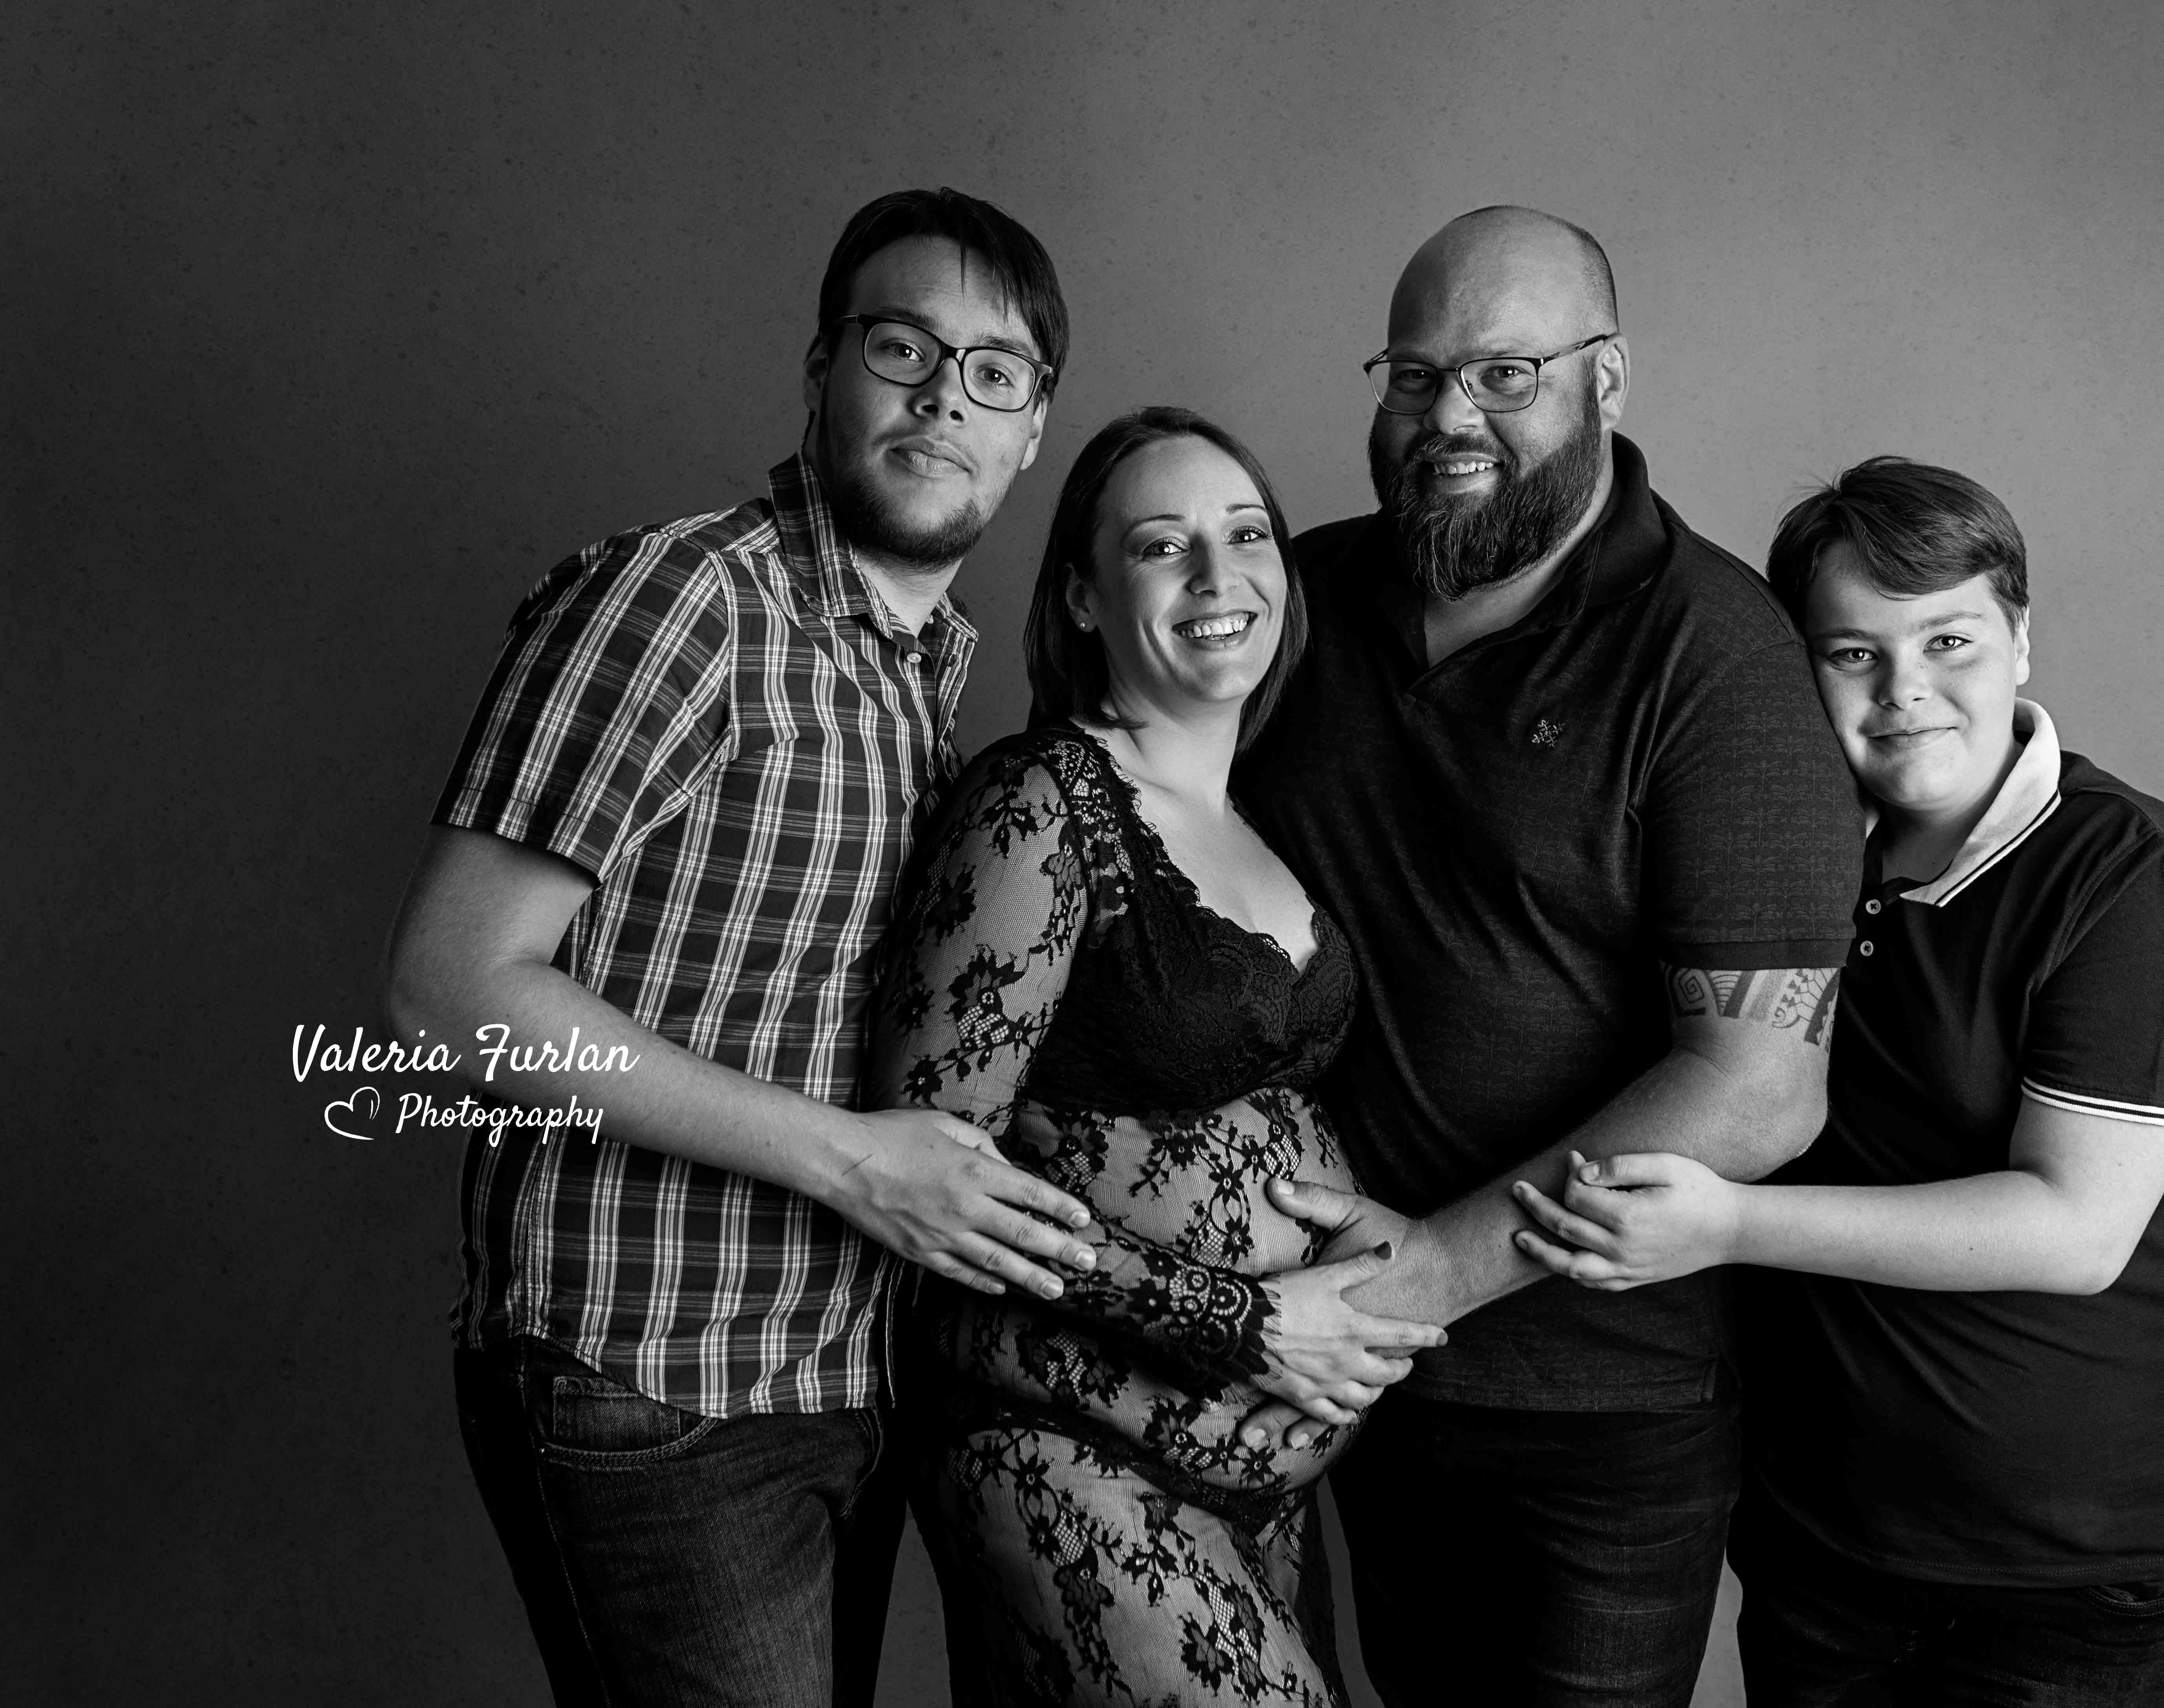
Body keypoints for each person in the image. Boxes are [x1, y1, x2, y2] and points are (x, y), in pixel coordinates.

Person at [381, 188, 1099, 1708]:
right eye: (901, 345)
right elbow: (449, 990)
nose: (939, 397)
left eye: (992, 371)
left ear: (1033, 426)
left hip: (841, 1372)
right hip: (650, 1379)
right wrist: (852, 1160)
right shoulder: (686, 603)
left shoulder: (931, 670)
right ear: (823, 366)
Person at [1233, 206, 1869, 1706]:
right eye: (1412, 373)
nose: (1448, 416)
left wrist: (1432, 1274)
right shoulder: (1296, 603)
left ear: (1608, 378)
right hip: (1335, 1366)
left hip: (1599, 1408)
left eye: (1505, 374)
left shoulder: (1716, 656)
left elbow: (1762, 1091)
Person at [1512, 457, 2164, 1706]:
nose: (1904, 690)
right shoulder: (1782, 853)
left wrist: (1728, 1227)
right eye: (1851, 653)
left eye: (1949, 641)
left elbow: (2075, 1229)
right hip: (1827, 1527)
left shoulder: (2128, 874)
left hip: (2066, 1545)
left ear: (2020, 640)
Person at [868, 406, 1444, 1707]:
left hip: (1258, 1470)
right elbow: (930, 1176)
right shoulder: (1042, 803)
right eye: (1159, 547)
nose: (1214, 575)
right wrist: (1238, 1317)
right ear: (1081, 594)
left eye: (1245, 536)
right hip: (1062, 1443)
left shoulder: (1254, 825)